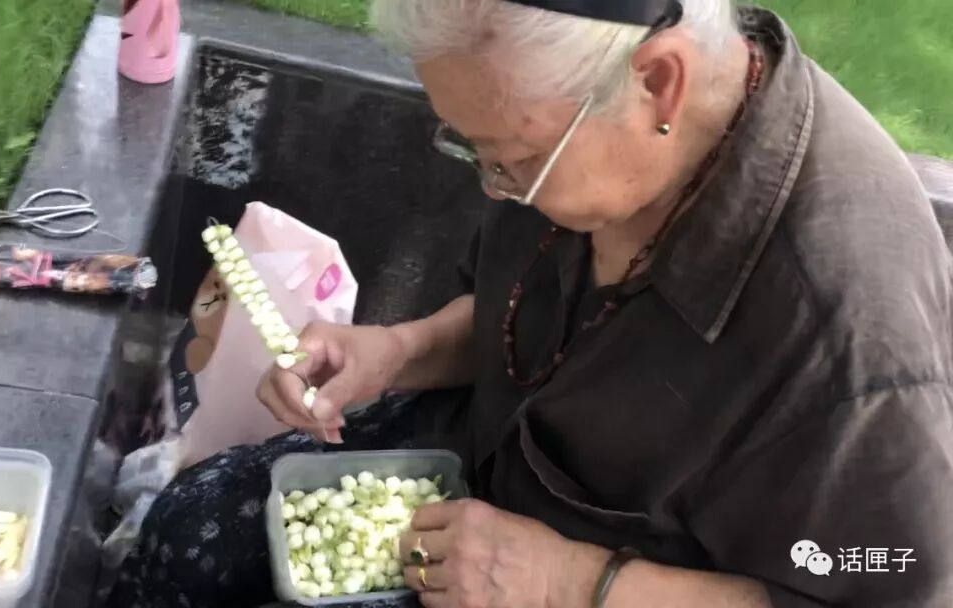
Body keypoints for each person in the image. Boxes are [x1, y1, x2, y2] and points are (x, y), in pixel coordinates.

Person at [108, 1, 953, 607]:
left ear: (659, 84)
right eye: (471, 148)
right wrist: (396, 352)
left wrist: (575, 583)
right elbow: (515, 312)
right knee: (185, 536)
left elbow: (881, 579)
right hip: (475, 464)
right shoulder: (574, 119)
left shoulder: (852, 344)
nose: (493, 186)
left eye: (510, 159)